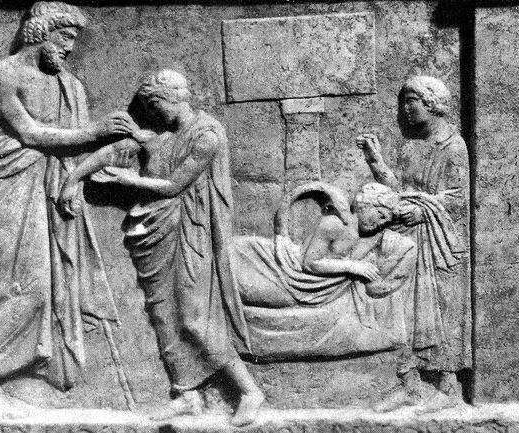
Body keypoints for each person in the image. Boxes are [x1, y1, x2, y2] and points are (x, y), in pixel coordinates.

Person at [0, 2, 141, 420]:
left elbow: (71, 148)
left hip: (41, 191)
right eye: (65, 37)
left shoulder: (68, 85)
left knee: (37, 288)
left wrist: (95, 164)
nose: (70, 48)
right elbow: (29, 132)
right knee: (0, 285)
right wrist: (95, 132)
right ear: (41, 31)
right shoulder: (3, 74)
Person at [67, 69, 265, 426]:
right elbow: (114, 151)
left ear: (172, 98)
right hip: (153, 235)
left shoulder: (206, 135)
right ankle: (186, 393)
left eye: (154, 105)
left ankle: (248, 390)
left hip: (190, 235)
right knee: (162, 313)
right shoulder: (161, 135)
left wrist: (128, 180)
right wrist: (74, 177)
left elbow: (174, 185)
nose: (151, 113)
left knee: (194, 318)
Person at [356, 76, 470, 412]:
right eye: (402, 102)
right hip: (408, 241)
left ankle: (448, 388)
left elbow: (458, 199)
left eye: (411, 101)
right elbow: (399, 191)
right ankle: (410, 386)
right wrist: (376, 161)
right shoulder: (410, 147)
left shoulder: (453, 147)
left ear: (432, 103)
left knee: (442, 312)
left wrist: (420, 210)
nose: (404, 109)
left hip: (439, 242)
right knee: (403, 312)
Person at [231, 182, 417, 361]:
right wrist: (352, 266)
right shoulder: (333, 224)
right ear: (365, 206)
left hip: (316, 284)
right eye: (380, 215)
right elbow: (310, 264)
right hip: (285, 271)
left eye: (385, 221)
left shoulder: (368, 234)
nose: (381, 223)